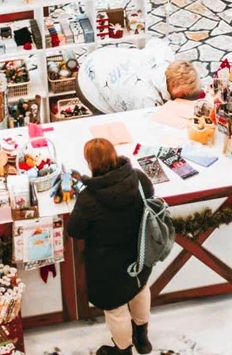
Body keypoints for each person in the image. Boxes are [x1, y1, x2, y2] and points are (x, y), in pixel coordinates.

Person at [66, 138, 156, 355]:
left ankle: (123, 350)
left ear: (90, 163)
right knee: (140, 289)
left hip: (107, 265)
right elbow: (150, 196)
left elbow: (75, 230)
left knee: (116, 310)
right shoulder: (138, 179)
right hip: (139, 252)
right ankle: (142, 340)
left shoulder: (88, 198)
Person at [77, 38, 203, 114]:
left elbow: (154, 42)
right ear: (174, 85)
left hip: (98, 58)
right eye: (184, 94)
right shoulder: (147, 101)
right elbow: (143, 126)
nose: (185, 97)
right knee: (112, 122)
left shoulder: (163, 54)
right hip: (88, 86)